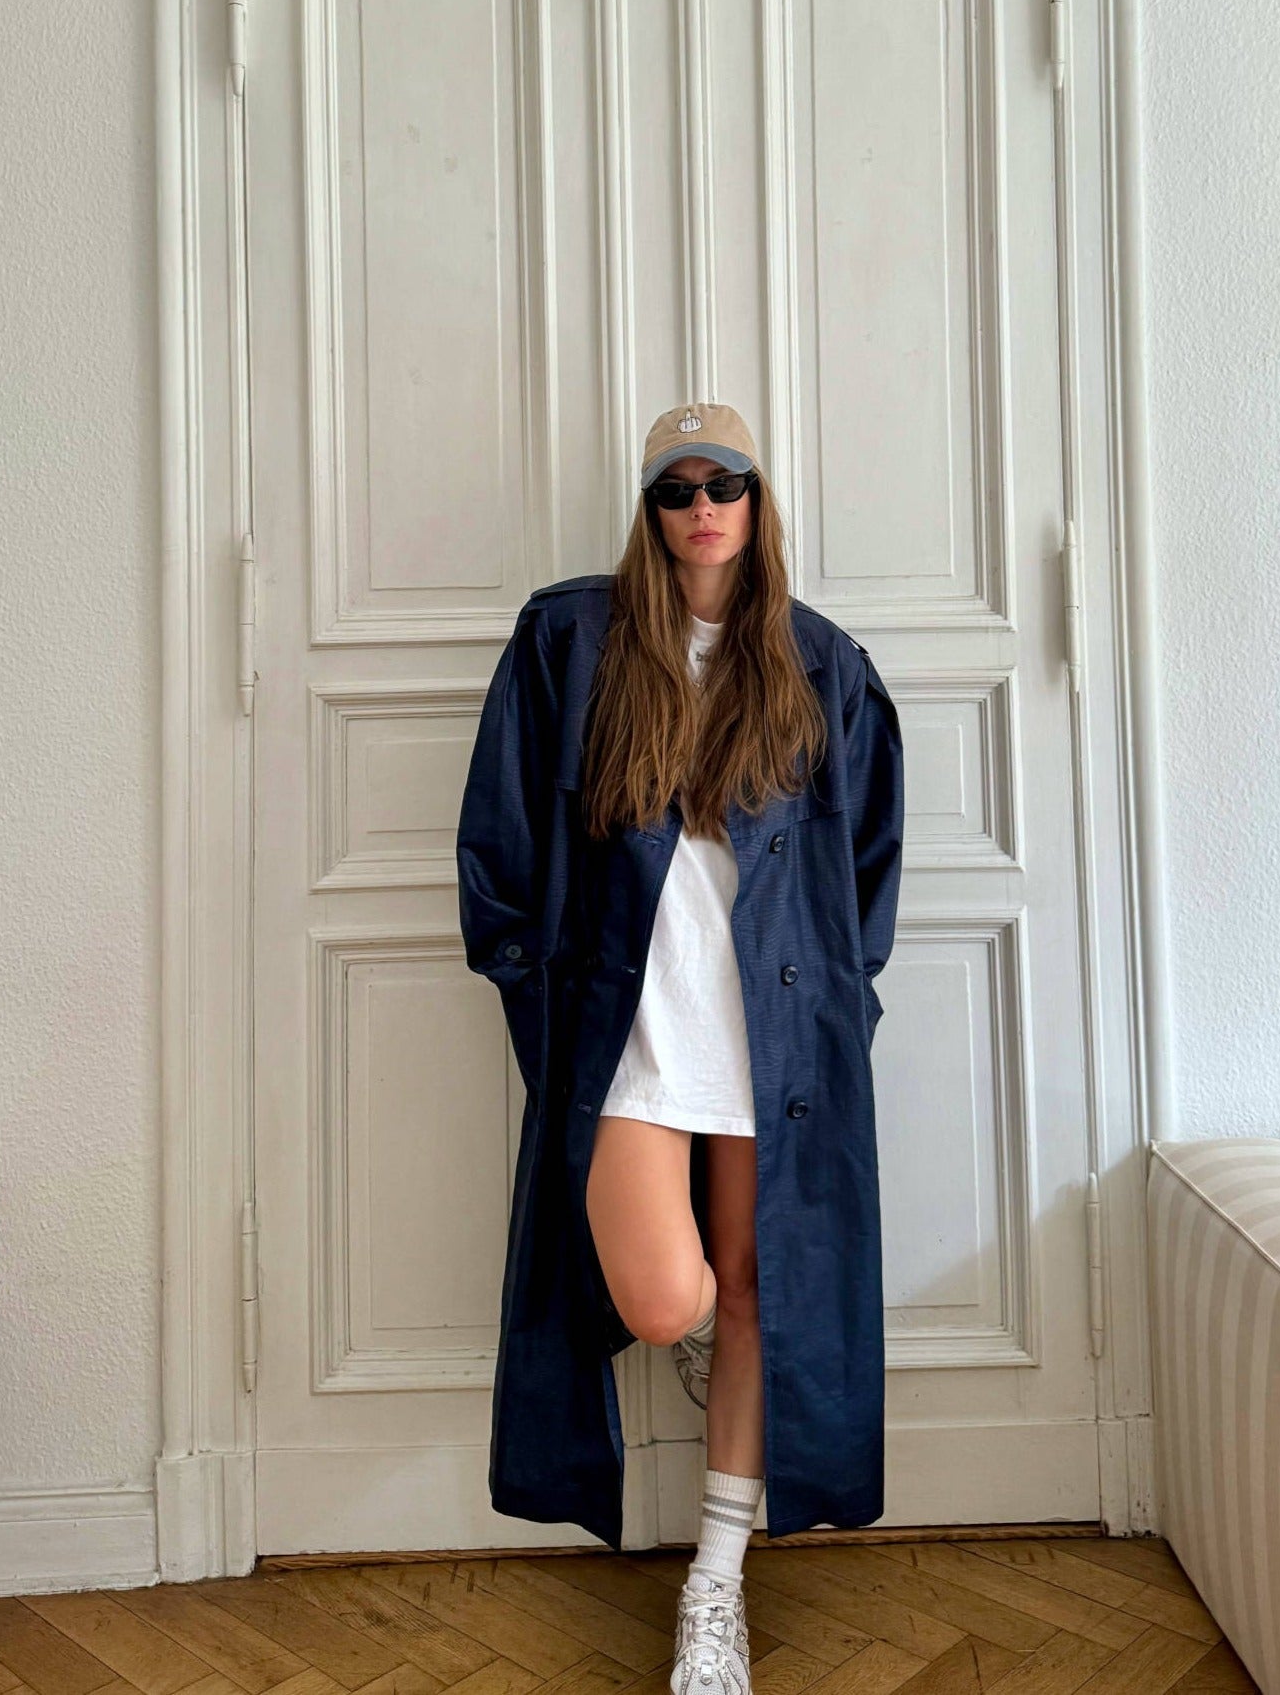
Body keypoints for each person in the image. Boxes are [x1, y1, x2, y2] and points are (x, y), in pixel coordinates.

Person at [456, 402, 904, 1695]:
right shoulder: (571, 640)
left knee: (760, 1291)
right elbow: (498, 843)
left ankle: (716, 1585)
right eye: (677, 487)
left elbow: (866, 874)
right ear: (650, 509)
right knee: (669, 1299)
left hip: (775, 1037)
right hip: (632, 1035)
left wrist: (841, 1008)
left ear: (759, 501)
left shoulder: (823, 666)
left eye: (726, 483)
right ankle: (719, 1343)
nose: (703, 506)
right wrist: (536, 1000)